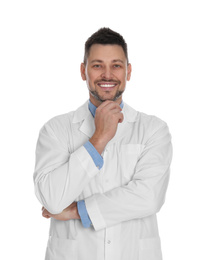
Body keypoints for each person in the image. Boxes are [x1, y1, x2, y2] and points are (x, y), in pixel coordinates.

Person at [33, 27, 172, 260]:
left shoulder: (153, 130)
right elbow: (52, 199)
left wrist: (78, 211)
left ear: (128, 72)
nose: (107, 75)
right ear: (83, 71)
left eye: (116, 65)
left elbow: (149, 197)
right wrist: (98, 139)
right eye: (97, 65)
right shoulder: (55, 130)